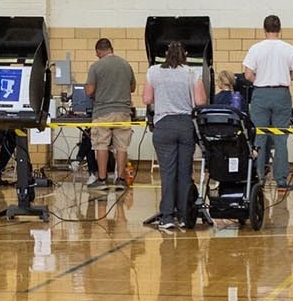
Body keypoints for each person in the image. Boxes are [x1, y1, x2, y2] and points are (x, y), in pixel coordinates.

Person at [143, 41, 206, 231]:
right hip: (186, 125)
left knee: (167, 172)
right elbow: (200, 101)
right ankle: (185, 216)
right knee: (185, 172)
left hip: (163, 125)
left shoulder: (153, 71)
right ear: (185, 55)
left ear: (165, 54)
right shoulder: (191, 73)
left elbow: (147, 99)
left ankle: (167, 217)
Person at [243, 14, 293, 190]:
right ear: (280, 29)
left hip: (261, 93)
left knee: (259, 137)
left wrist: (260, 79)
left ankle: (259, 177)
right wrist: (283, 75)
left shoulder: (255, 48)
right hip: (282, 94)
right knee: (280, 138)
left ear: (264, 29)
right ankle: (281, 180)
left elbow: (247, 74)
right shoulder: (288, 48)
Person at [84, 37, 135, 190]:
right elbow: (132, 88)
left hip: (102, 112)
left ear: (99, 51)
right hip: (124, 112)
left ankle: (102, 179)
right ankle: (120, 179)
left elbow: (89, 91)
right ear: (111, 49)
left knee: (101, 145)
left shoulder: (96, 66)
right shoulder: (126, 65)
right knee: (121, 146)